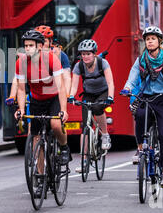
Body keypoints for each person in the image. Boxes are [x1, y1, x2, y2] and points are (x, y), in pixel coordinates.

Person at [121, 26, 163, 188]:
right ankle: (140, 149)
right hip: (146, 97)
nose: (150, 41)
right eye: (147, 39)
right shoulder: (140, 60)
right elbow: (132, 78)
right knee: (139, 116)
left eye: (153, 38)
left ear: (159, 41)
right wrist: (127, 89)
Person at [14, 30, 70, 198]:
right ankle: (40, 179)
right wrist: (22, 110)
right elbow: (22, 89)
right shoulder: (21, 62)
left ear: (40, 46)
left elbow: (61, 87)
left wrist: (63, 110)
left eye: (31, 46)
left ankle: (64, 147)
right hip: (37, 100)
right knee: (36, 137)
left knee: (55, 124)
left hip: (53, 97)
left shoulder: (51, 59)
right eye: (25, 46)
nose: (28, 49)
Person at [68, 39, 114, 173]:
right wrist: (71, 96)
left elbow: (110, 83)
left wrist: (110, 97)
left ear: (94, 54)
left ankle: (105, 134)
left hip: (103, 92)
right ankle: (83, 161)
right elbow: (74, 84)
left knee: (98, 108)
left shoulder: (102, 63)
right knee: (85, 128)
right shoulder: (79, 66)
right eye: (82, 54)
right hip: (88, 94)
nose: (85, 56)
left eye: (88, 53)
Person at [35, 25, 72, 95]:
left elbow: (67, 77)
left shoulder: (61, 55)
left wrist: (66, 94)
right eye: (38, 42)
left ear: (50, 42)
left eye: (44, 41)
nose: (41, 45)